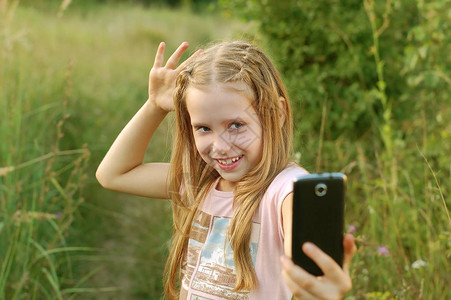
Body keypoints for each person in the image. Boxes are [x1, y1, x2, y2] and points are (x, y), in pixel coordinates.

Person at [96, 40, 356, 300]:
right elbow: (114, 174)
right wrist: (154, 105)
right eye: (204, 128)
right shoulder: (200, 184)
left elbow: (312, 264)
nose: (220, 147)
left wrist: (322, 287)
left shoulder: (285, 190)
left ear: (276, 114)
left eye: (235, 125)